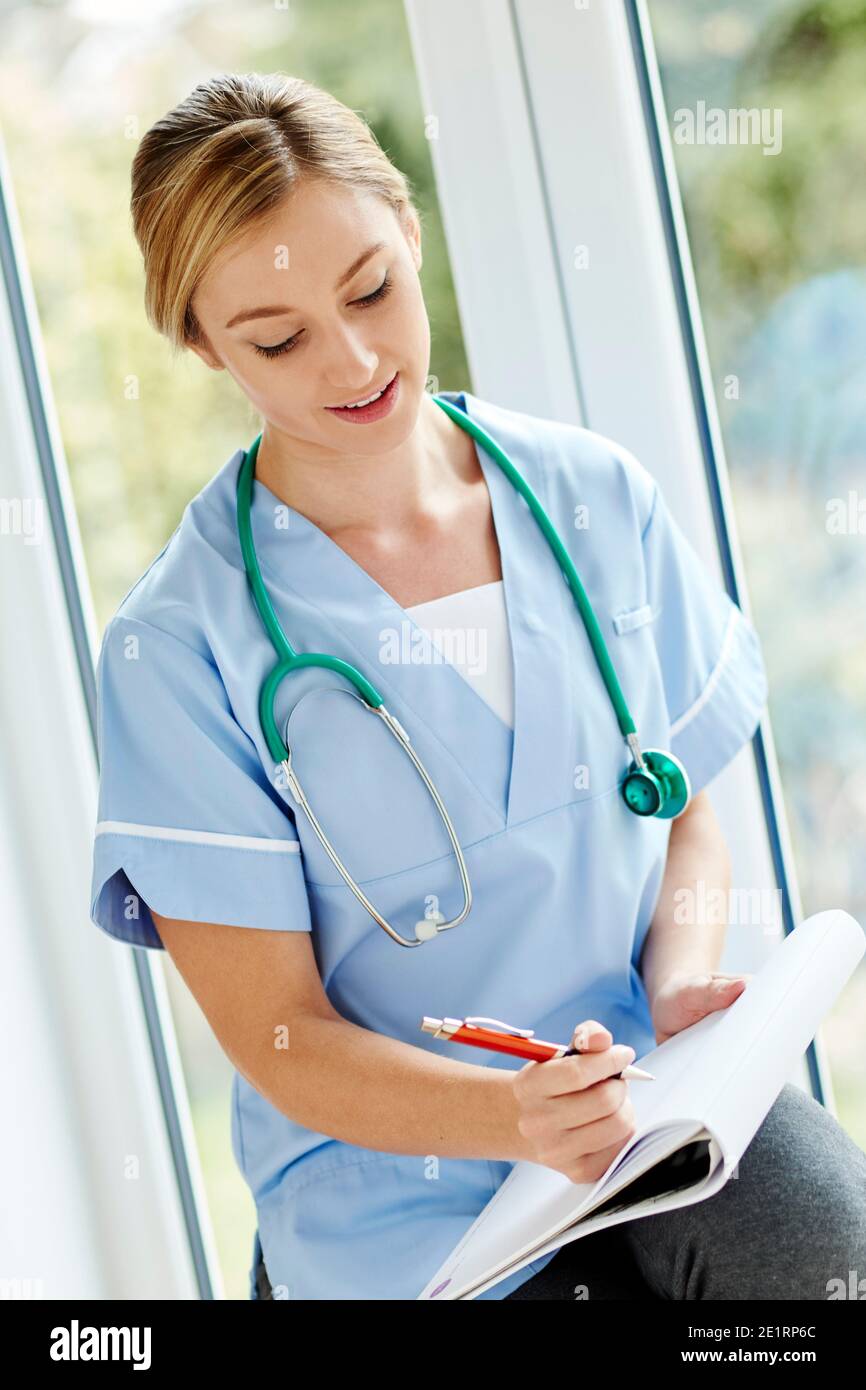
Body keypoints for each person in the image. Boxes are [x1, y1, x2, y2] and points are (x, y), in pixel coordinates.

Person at [89, 72, 866, 1301]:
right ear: (198, 341)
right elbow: (278, 1038)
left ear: (406, 224)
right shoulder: (180, 649)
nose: (351, 361)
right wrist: (514, 1118)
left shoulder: (590, 498)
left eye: (370, 290)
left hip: (636, 1110)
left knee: (819, 1246)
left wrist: (676, 987)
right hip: (403, 1221)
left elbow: (681, 813)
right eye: (276, 338)